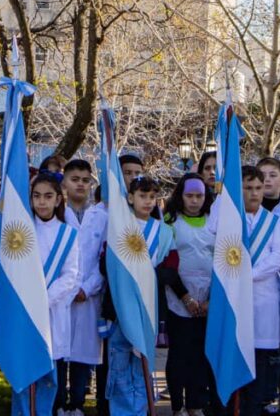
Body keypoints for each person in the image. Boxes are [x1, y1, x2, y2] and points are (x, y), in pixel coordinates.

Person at [104, 176, 172, 416]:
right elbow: (108, 265)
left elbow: (169, 269)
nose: (147, 201)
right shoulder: (119, 228)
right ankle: (122, 411)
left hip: (148, 304)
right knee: (120, 362)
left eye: (152, 197)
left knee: (142, 362)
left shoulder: (163, 233)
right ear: (130, 198)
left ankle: (141, 409)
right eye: (142, 196)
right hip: (122, 306)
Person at [23, 171, 81, 416]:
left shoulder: (68, 234)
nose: (42, 202)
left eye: (48, 196)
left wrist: (44, 300)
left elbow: (71, 275)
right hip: (25, 310)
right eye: (37, 196)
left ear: (58, 199)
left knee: (48, 374)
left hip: (52, 311)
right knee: (25, 372)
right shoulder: (22, 231)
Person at [160, 173, 215, 416]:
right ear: (180, 196)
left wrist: (210, 300)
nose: (194, 201)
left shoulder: (215, 221)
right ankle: (177, 405)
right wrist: (186, 298)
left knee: (201, 356)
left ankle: (196, 403)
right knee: (179, 355)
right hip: (179, 299)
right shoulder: (170, 221)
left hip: (208, 300)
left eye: (199, 196)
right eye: (189, 195)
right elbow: (168, 265)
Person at [58, 159, 106, 416]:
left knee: (81, 355)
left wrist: (86, 289)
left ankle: (76, 403)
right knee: (59, 350)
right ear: (64, 182)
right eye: (75, 179)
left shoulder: (101, 216)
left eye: (85, 180)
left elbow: (103, 260)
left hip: (88, 295)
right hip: (60, 294)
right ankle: (57, 403)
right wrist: (68, 288)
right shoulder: (56, 214)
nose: (80, 184)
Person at [240, 167, 280, 416]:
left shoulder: (272, 222)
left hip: (264, 297)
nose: (254, 193)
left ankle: (258, 404)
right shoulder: (229, 219)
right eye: (248, 188)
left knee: (262, 357)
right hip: (237, 299)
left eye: (258, 188)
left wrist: (250, 274)